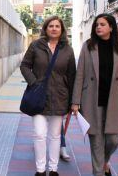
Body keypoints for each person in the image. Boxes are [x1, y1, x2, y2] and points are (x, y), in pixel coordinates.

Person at [71, 14, 118, 176]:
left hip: (115, 101)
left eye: (102, 24)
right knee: (96, 142)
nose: (98, 27)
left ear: (111, 27)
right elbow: (80, 74)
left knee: (114, 139)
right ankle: (99, 171)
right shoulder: (88, 46)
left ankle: (104, 162)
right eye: (96, 25)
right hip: (92, 100)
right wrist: (75, 101)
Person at [20, 16, 76, 176]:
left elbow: (72, 75)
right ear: (45, 28)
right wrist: (33, 82)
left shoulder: (67, 50)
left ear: (62, 30)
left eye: (57, 26)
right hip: (39, 97)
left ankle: (53, 169)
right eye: (50, 26)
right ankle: (40, 170)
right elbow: (24, 65)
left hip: (60, 97)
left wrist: (73, 101)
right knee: (39, 133)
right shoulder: (36, 46)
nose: (54, 28)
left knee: (55, 135)